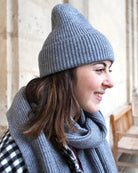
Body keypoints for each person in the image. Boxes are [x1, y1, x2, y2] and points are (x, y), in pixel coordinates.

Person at [0, 3, 118, 173]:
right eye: (100, 69)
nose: (111, 82)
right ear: (65, 73)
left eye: (109, 69)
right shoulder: (16, 151)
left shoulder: (90, 130)